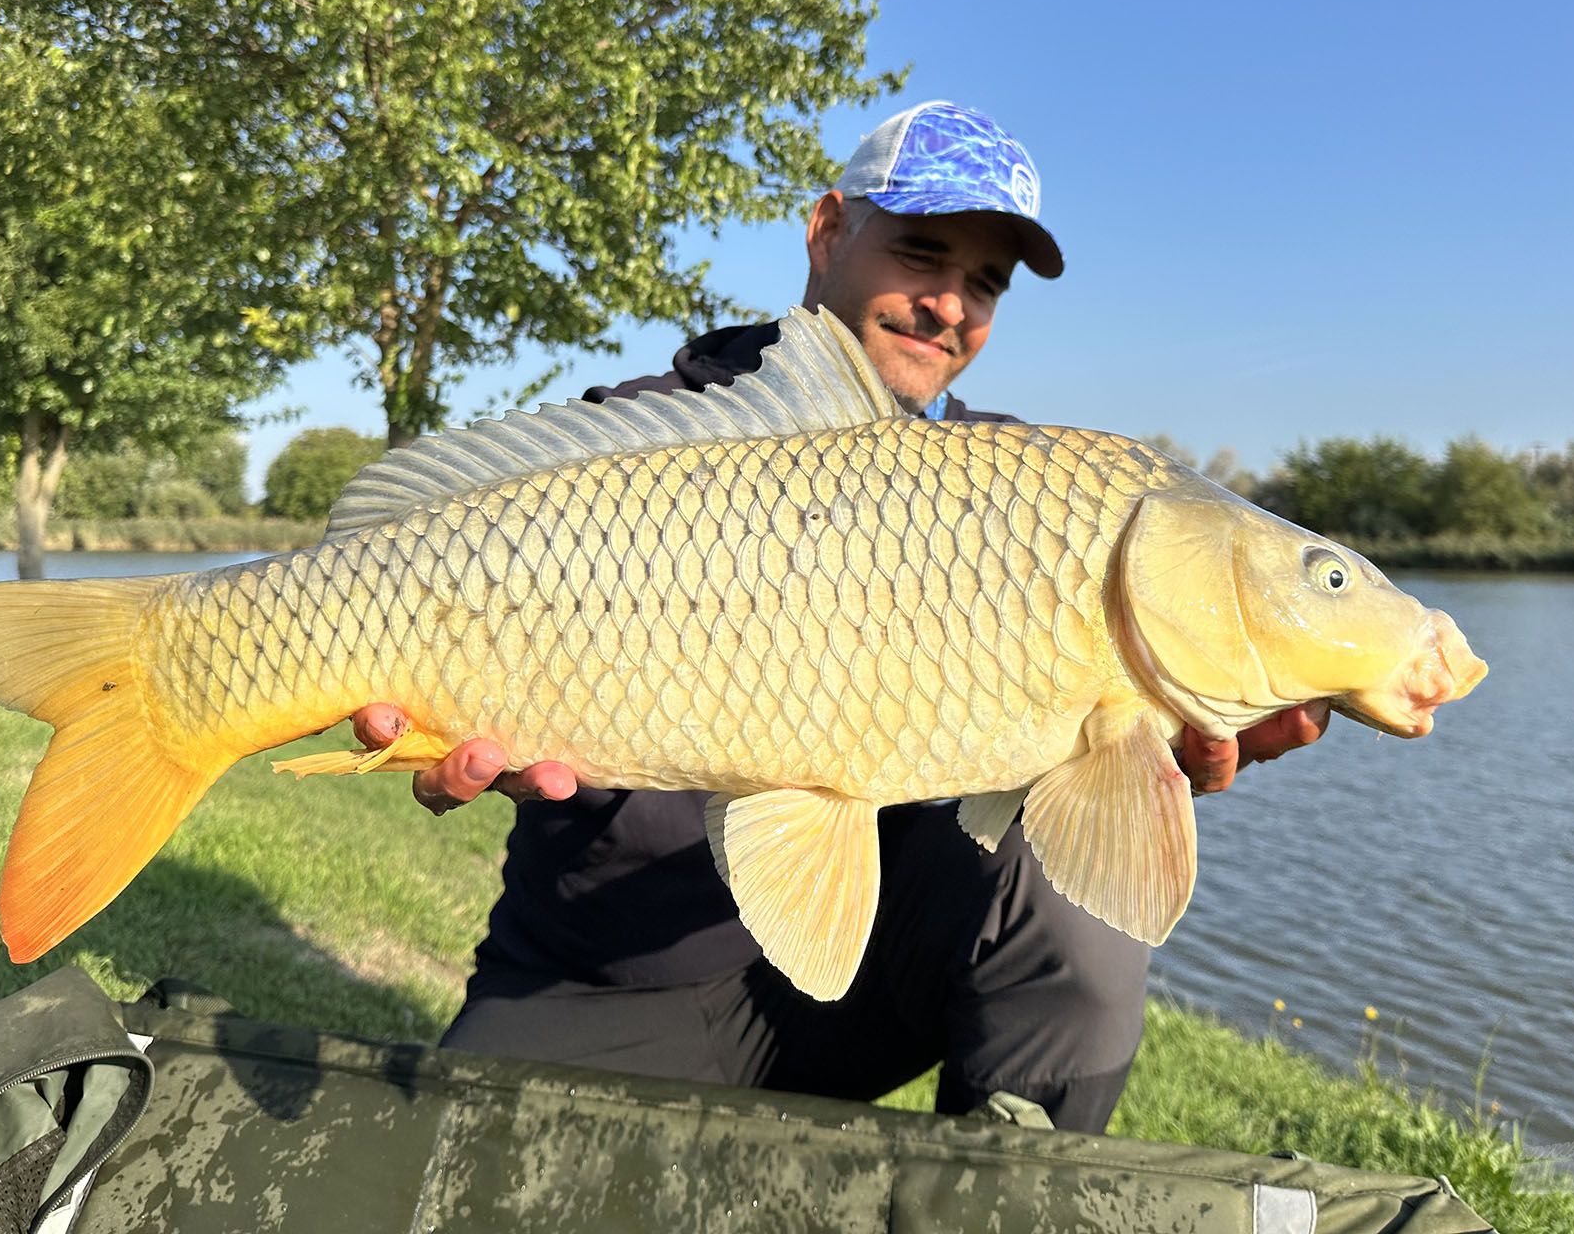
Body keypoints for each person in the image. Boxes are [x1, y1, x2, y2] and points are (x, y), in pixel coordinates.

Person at [389, 102, 1328, 1133]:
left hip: (867, 982)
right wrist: (437, 716)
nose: (949, 306)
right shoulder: (638, 446)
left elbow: (1088, 796)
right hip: (610, 976)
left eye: (985, 284)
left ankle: (1005, 1199)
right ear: (828, 230)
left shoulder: (1035, 494)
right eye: (922, 253)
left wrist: (1148, 764)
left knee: (1069, 907)